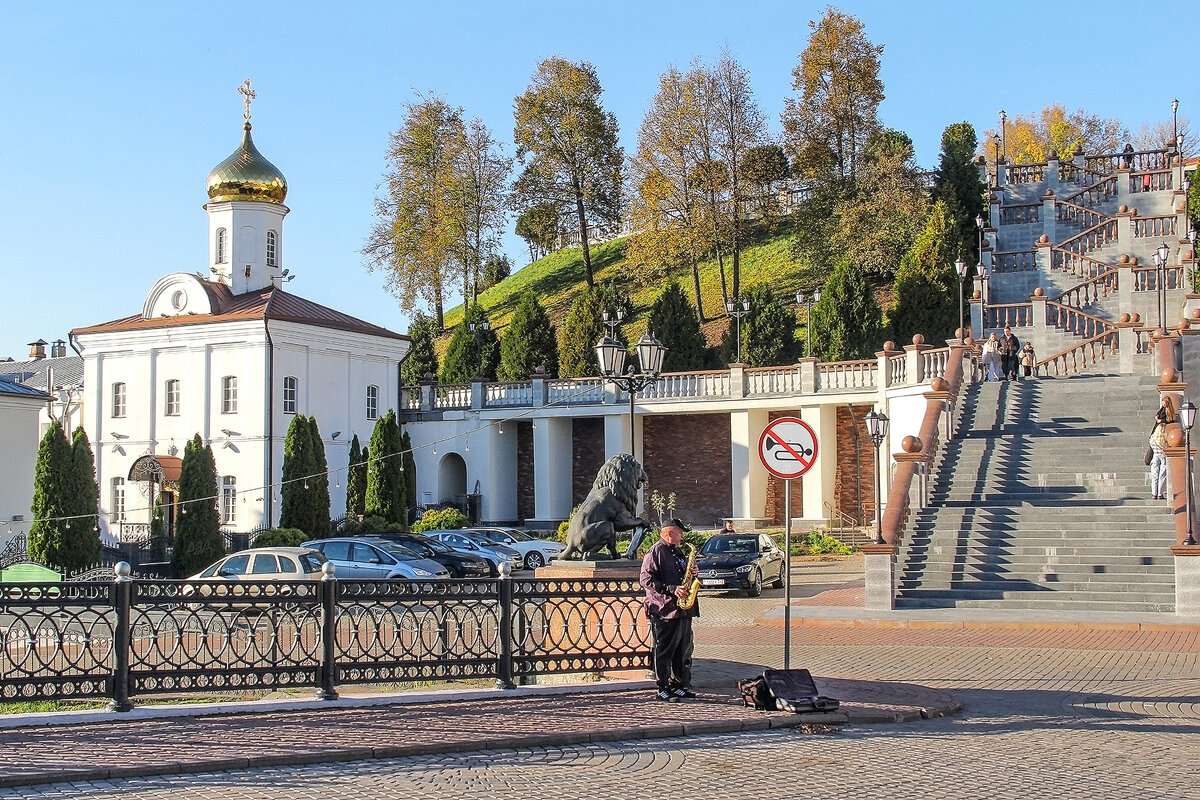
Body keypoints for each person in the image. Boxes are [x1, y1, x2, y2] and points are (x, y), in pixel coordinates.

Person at [640, 520, 699, 702]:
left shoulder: (677, 550)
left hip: (682, 609)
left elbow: (684, 573)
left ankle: (679, 685)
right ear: (670, 533)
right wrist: (672, 589)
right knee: (664, 650)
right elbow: (645, 579)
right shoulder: (656, 551)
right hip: (664, 610)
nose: (682, 536)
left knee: (683, 649)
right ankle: (663, 687)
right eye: (680, 533)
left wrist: (694, 572)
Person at [1148, 396, 1175, 500]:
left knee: (1156, 473)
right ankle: (1159, 493)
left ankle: (1155, 493)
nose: (1163, 404)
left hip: (1157, 448)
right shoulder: (1167, 413)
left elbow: (1166, 418)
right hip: (1162, 449)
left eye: (1164, 402)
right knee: (1161, 474)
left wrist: (1159, 420)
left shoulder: (1157, 432)